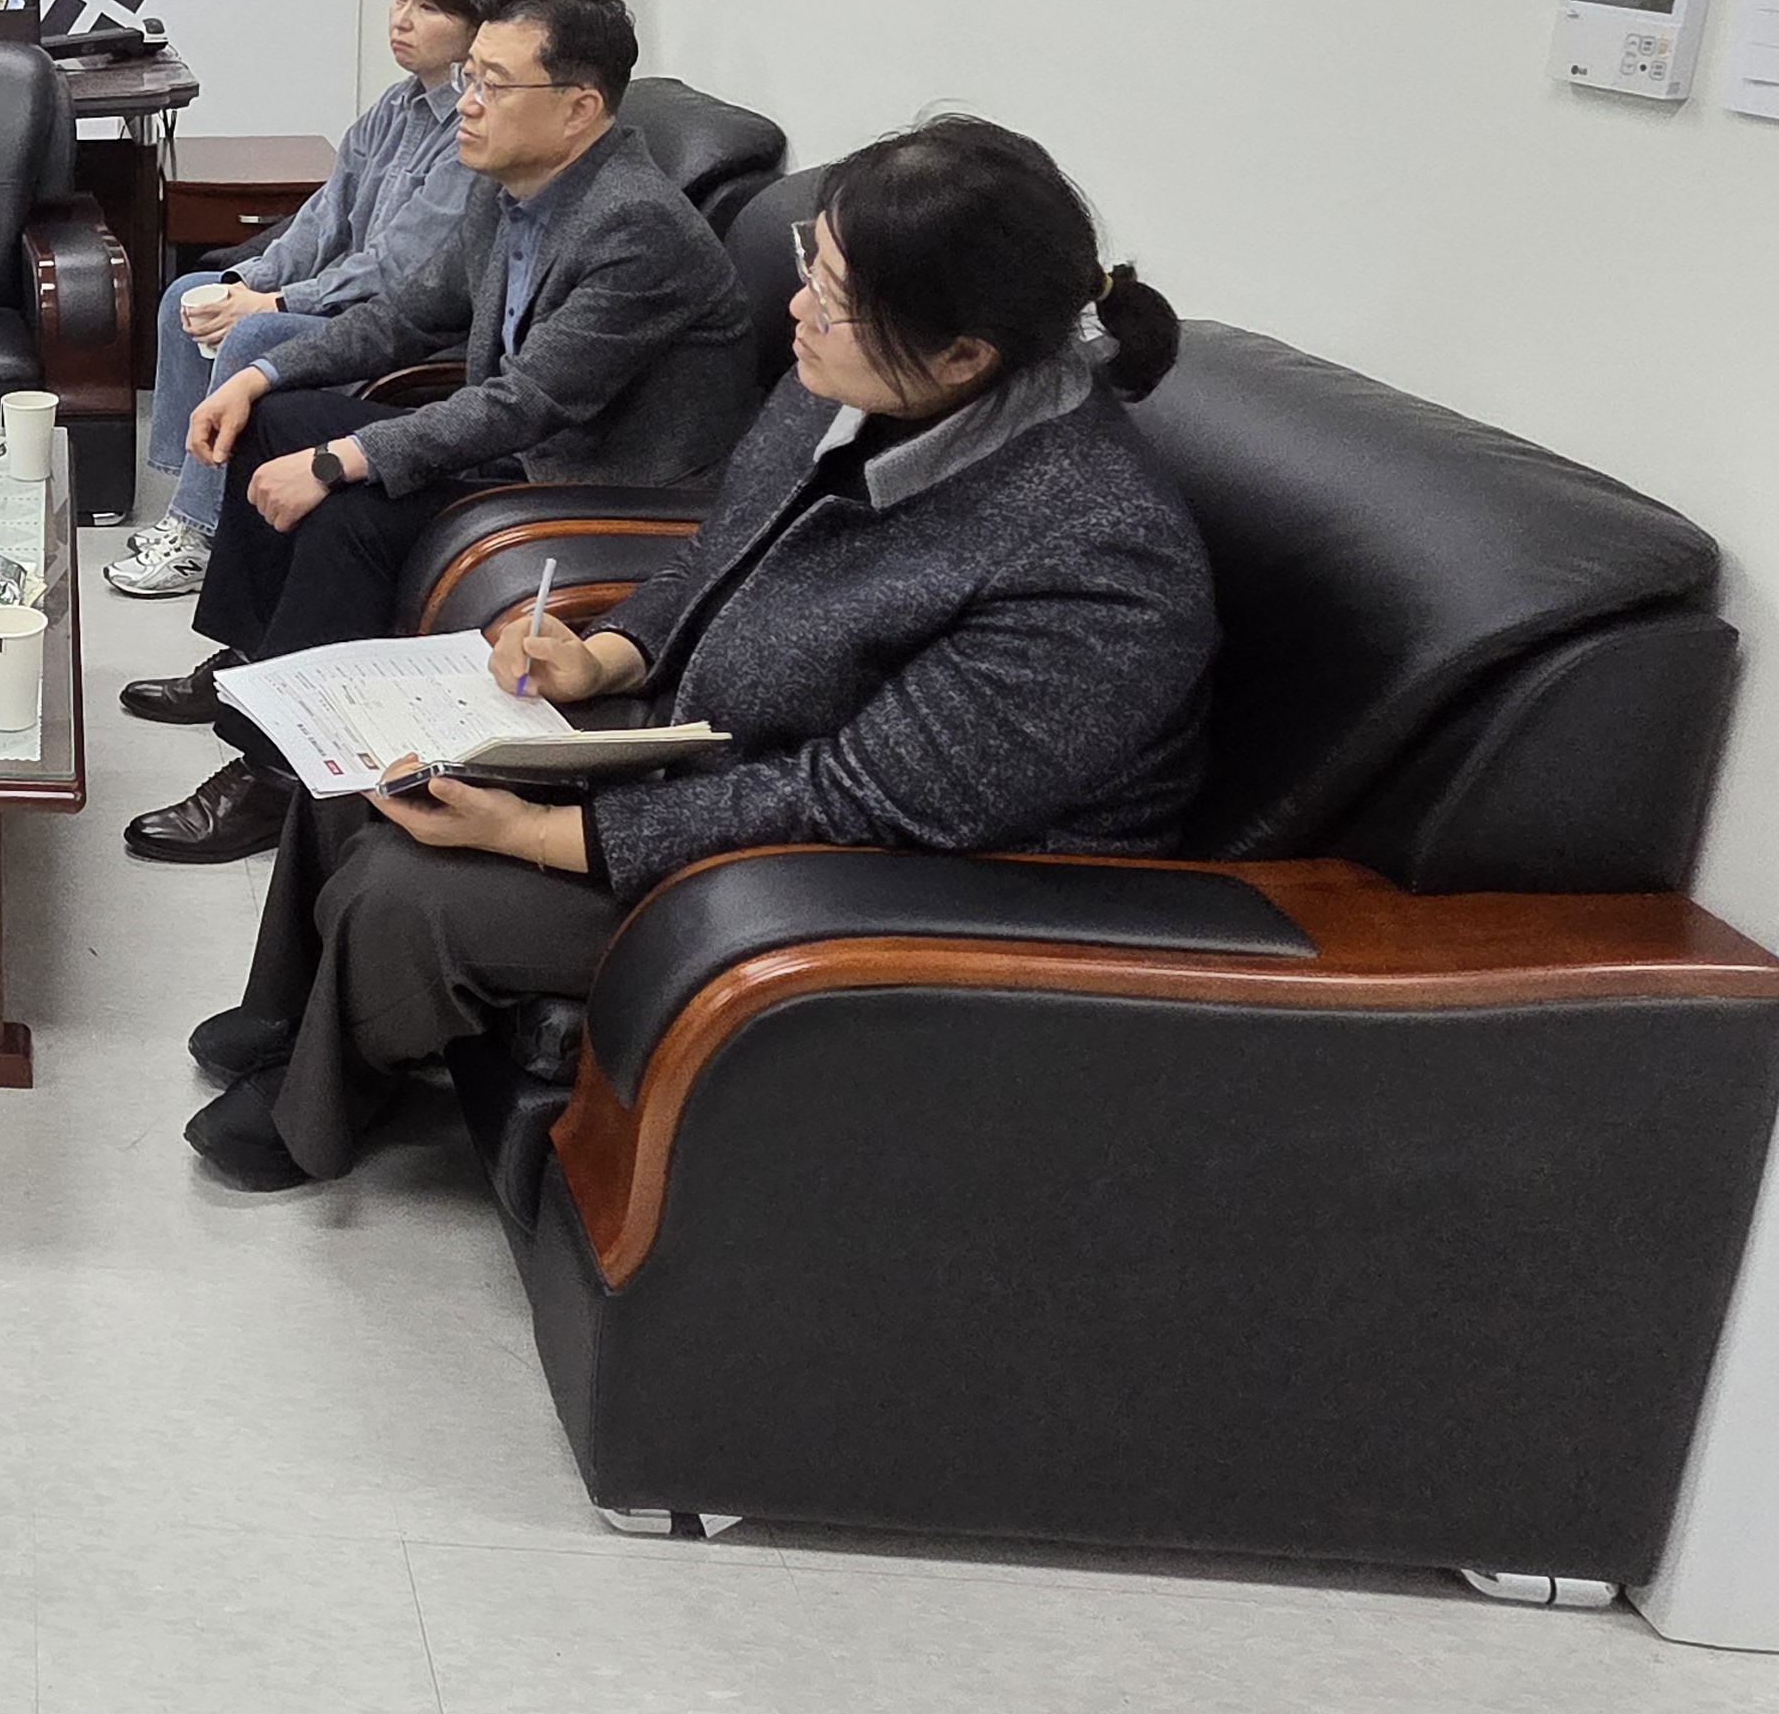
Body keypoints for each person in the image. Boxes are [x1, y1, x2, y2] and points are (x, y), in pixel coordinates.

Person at [181, 117, 1217, 1191]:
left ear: (964, 353)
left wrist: (539, 832)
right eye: (814, 264)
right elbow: (719, 548)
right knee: (379, 752)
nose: (797, 309)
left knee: (412, 891)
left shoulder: (1096, 557)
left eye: (834, 299)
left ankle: (326, 1095)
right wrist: (606, 655)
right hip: (729, 743)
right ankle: (292, 1016)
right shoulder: (853, 382)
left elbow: (860, 801)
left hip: (886, 880)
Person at [118, 0, 754, 867]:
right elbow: (409, 315)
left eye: (494, 83)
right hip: (527, 453)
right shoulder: (513, 187)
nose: (468, 102)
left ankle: (276, 779)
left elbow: (526, 402)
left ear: (579, 108)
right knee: (276, 420)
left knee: (348, 510)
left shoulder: (636, 228)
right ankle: (250, 666)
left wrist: (340, 461)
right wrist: (259, 373)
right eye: (470, 77)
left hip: (602, 491)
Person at [107, 0, 504, 601]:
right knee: (191, 293)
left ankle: (201, 531)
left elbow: (396, 268)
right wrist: (246, 282)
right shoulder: (394, 107)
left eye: (429, 8)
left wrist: (273, 305)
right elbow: (322, 220)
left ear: (476, 25)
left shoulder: (471, 130)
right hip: (336, 296)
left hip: (397, 324)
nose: (401, 20)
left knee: (252, 333)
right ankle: (185, 501)